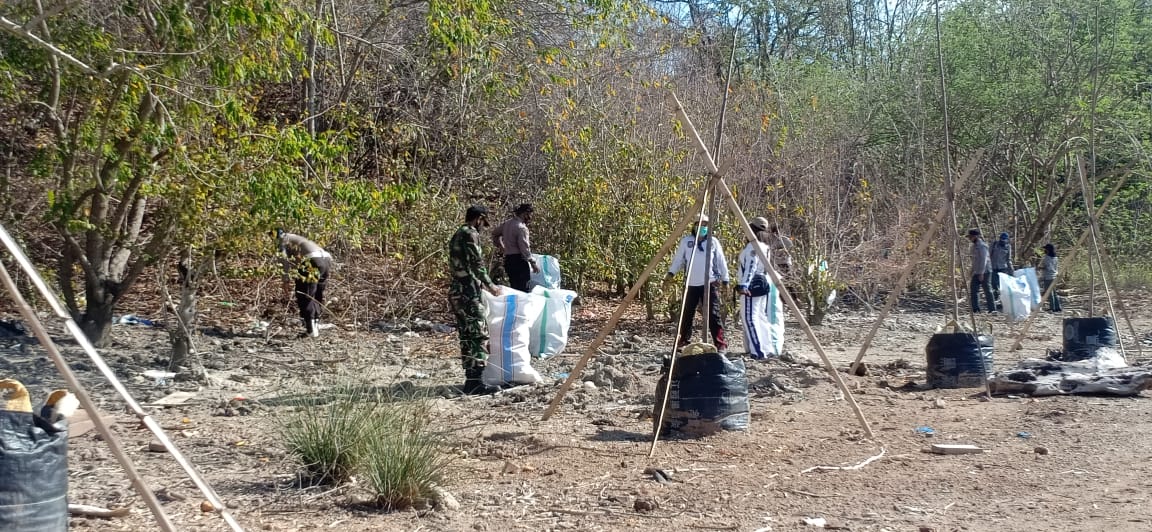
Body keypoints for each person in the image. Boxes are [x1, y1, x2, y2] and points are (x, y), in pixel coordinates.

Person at [449, 205, 502, 395]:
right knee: (478, 334)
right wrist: (491, 286)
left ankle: (471, 380)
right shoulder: (470, 234)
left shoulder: (458, 233)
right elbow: (476, 263)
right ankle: (476, 382)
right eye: (483, 222)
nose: (483, 226)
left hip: (457, 290)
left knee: (467, 335)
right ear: (479, 219)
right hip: (468, 292)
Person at [663, 213, 730, 352]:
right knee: (687, 313)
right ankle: (683, 340)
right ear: (694, 225)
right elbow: (678, 261)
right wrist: (670, 274)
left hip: (710, 282)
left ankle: (720, 343)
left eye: (705, 224)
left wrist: (725, 280)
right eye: (700, 224)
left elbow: (721, 261)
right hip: (691, 283)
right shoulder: (686, 242)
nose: (703, 227)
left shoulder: (713, 242)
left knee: (713, 313)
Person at [736, 217, 782, 359]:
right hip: (762, 283)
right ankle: (766, 348)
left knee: (750, 318)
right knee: (761, 317)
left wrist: (744, 285)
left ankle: (758, 351)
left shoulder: (752, 248)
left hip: (752, 286)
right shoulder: (765, 247)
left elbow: (751, 268)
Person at [274, 229, 332, 338]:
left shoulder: (282, 240)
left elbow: (283, 260)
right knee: (316, 294)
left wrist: (285, 279)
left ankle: (311, 330)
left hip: (311, 260)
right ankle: (315, 325)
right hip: (326, 259)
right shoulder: (296, 238)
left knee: (305, 293)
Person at [492, 203, 539, 292]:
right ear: (524, 214)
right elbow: (524, 247)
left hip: (508, 261)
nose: (530, 217)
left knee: (514, 289)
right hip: (519, 262)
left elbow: (494, 233)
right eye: (529, 215)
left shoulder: (507, 223)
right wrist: (533, 263)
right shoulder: (521, 228)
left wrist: (500, 245)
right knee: (523, 289)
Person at [966, 228, 995, 313]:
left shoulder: (982, 246)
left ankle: (992, 309)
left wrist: (981, 273)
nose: (970, 238)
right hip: (977, 271)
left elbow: (983, 260)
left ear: (976, 236)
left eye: (971, 237)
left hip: (985, 272)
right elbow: (974, 260)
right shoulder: (973, 247)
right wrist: (972, 270)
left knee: (987, 290)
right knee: (973, 289)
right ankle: (976, 309)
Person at [990, 232, 1014, 308]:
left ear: (1007, 240)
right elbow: (989, 255)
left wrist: (1011, 270)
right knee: (994, 284)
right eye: (1001, 239)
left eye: (1004, 240)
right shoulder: (994, 245)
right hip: (993, 267)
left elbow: (1008, 259)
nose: (1002, 241)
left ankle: (1002, 302)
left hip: (1003, 268)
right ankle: (995, 300)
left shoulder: (1008, 247)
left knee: (1002, 286)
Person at [1039, 243, 1062, 312]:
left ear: (1048, 250)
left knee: (1049, 293)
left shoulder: (1047, 257)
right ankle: (1058, 307)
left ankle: (1052, 308)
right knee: (1054, 292)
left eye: (1045, 249)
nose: (1044, 250)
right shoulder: (1055, 257)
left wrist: (1040, 267)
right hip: (1054, 276)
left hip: (1048, 277)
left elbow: (1048, 267)